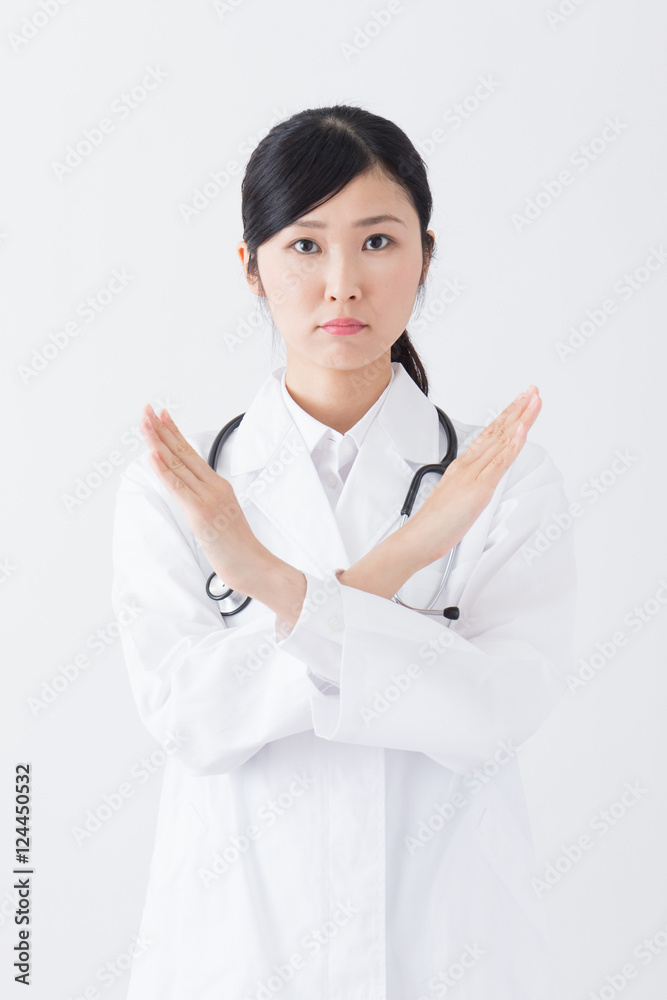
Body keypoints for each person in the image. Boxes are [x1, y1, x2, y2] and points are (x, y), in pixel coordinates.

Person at [111, 104, 576, 1000]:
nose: (341, 285)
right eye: (304, 245)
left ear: (425, 256)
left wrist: (270, 586)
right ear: (250, 267)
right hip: (237, 957)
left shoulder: (504, 479)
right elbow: (193, 721)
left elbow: (492, 715)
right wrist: (403, 560)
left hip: (444, 953)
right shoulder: (176, 487)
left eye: (376, 242)